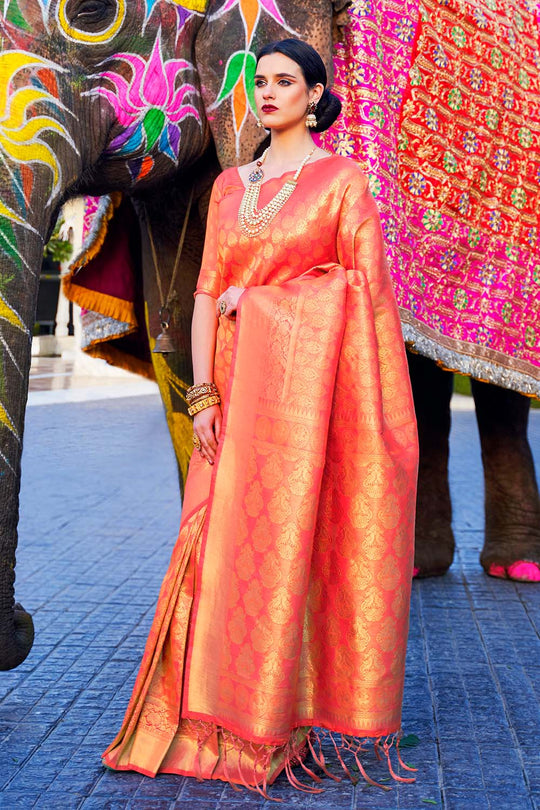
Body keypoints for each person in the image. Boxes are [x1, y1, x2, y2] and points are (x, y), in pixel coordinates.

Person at [102, 38, 419, 795]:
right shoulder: (227, 187)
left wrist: (270, 301)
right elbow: (207, 291)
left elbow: (364, 293)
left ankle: (273, 728)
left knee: (290, 548)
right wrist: (202, 395)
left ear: (315, 96)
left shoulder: (342, 182)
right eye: (260, 81)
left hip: (303, 406)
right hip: (230, 394)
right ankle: (196, 725)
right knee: (210, 548)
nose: (268, 92)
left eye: (285, 81)